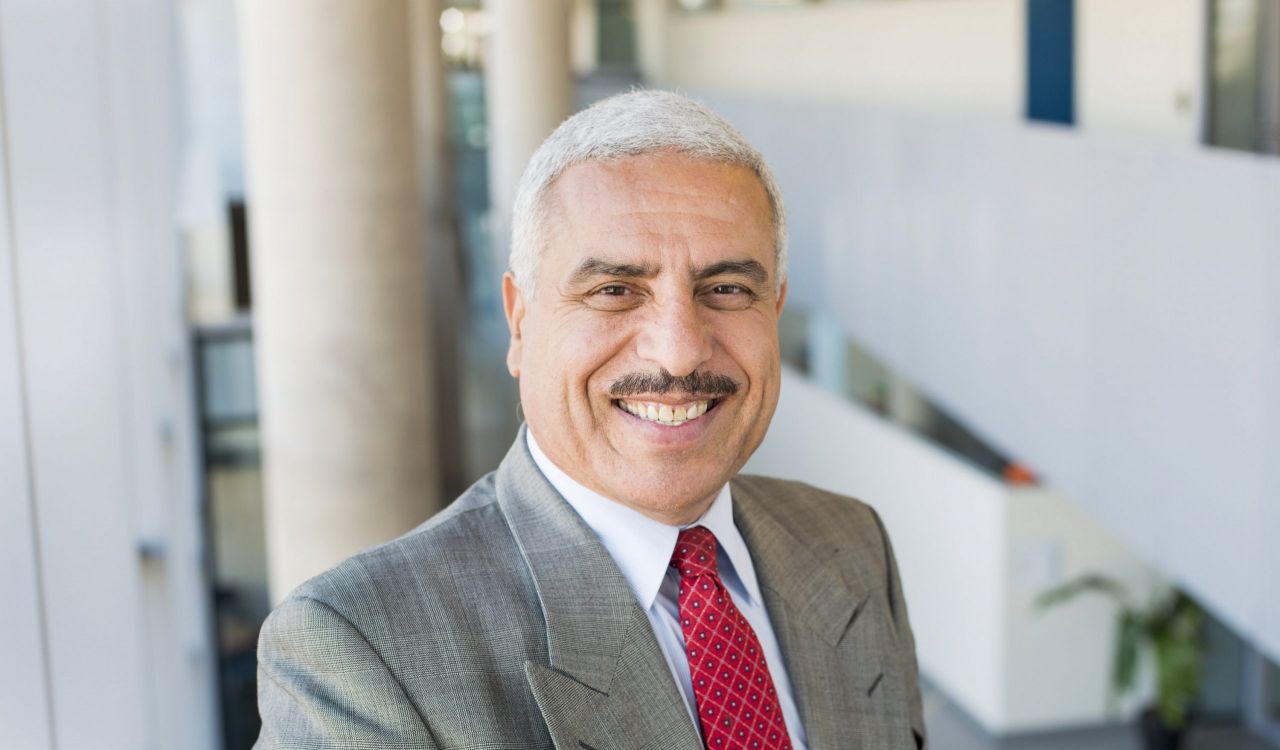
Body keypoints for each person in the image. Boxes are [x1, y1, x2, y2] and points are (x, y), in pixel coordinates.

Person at [254, 90, 926, 750]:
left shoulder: (851, 543)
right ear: (521, 321)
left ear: (774, 310)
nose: (679, 348)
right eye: (615, 290)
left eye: (725, 289)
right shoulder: (359, 652)